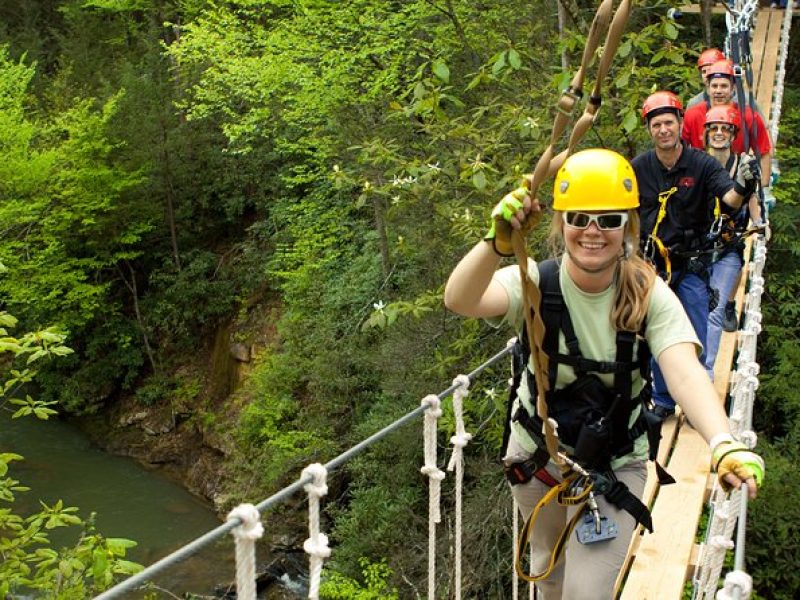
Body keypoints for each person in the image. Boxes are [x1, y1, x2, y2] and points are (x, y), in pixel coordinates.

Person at [444, 148, 764, 600]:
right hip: (538, 457)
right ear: (561, 224)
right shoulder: (534, 281)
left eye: (609, 220)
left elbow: (685, 373)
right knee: (547, 571)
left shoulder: (647, 294)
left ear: (628, 227)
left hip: (615, 462)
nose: (593, 232)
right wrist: (496, 245)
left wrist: (722, 442)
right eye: (579, 218)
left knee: (584, 593)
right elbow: (459, 299)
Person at [633, 91, 755, 417]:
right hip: (655, 267)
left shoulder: (701, 164)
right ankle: (662, 400)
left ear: (680, 124)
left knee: (696, 336)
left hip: (691, 263)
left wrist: (743, 186)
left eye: (668, 123)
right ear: (650, 129)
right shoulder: (640, 168)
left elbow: (729, 199)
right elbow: (621, 207)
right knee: (658, 334)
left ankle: (695, 403)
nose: (663, 130)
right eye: (656, 125)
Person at [702, 105, 762, 376]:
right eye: (713, 128)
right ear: (705, 134)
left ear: (733, 133)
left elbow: (752, 199)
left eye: (724, 128)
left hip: (728, 247)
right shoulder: (697, 163)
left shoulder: (743, 164)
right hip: (698, 248)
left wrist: (759, 222)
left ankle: (706, 372)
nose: (718, 133)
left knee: (713, 309)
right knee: (692, 310)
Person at [682, 60, 773, 191]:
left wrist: (762, 188)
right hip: (702, 181)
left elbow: (764, 152)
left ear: (733, 88)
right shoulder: (693, 115)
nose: (718, 91)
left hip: (737, 179)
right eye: (714, 86)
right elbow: (680, 150)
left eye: (724, 86)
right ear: (708, 87)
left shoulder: (748, 117)